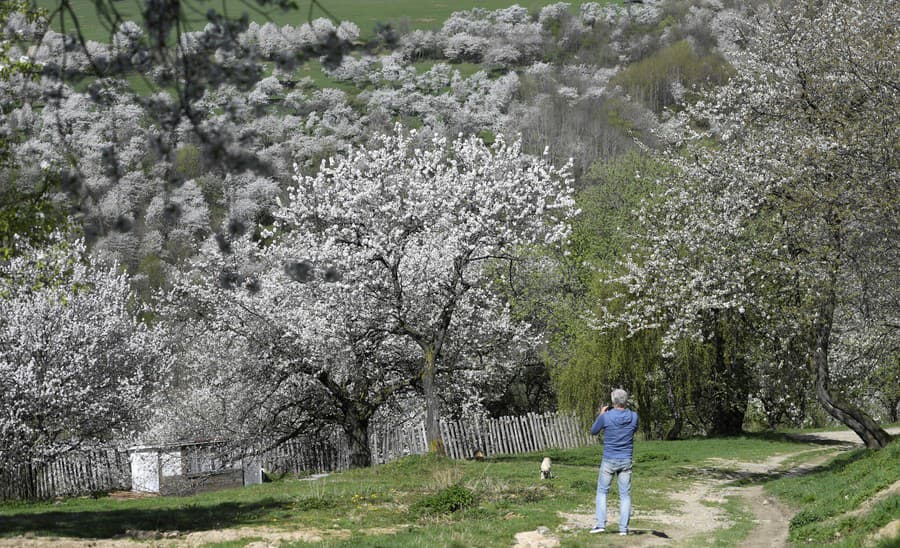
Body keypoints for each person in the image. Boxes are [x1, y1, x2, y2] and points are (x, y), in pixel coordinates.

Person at [589, 388, 639, 536]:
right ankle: (623, 529)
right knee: (625, 494)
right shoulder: (634, 416)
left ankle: (600, 524)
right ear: (626, 400)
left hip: (609, 459)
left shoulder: (606, 417)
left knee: (602, 491)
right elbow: (633, 430)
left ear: (613, 401)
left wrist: (601, 415)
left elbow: (593, 431)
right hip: (626, 459)